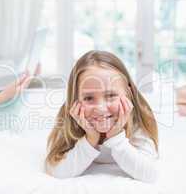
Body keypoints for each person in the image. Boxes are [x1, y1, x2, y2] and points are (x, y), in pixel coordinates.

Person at [45, 50, 159, 183]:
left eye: (111, 95)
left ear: (128, 93)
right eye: (88, 98)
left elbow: (149, 174)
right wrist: (90, 138)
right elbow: (56, 170)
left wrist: (116, 137)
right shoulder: (69, 122)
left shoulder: (137, 124)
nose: (101, 108)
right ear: (75, 99)